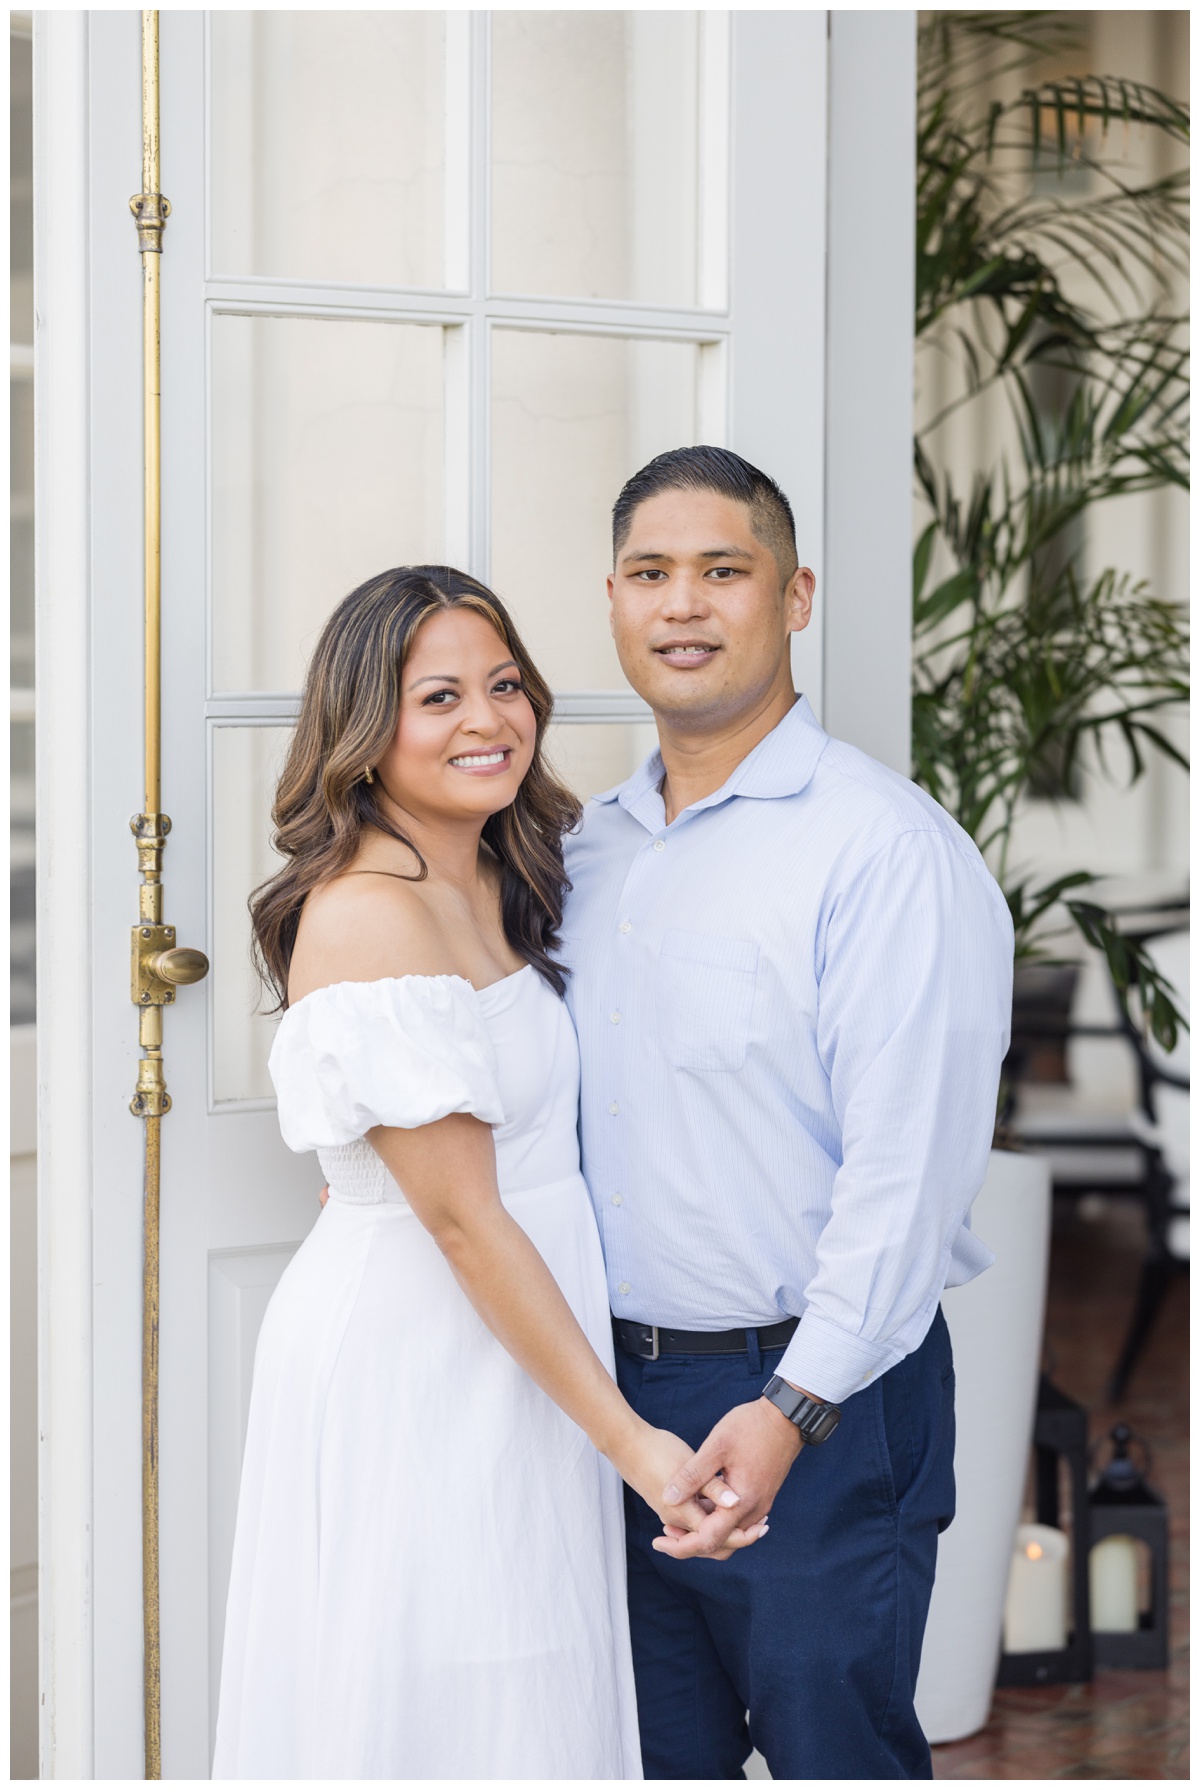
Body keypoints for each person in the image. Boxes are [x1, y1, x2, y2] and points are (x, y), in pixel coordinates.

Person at [211, 566, 765, 1780]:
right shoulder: (370, 911)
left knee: (526, 1676)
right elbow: (462, 1219)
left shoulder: (503, 878)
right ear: (365, 731)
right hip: (426, 1348)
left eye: (505, 684)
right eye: (439, 696)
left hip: (517, 1332)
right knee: (449, 1685)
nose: (488, 720)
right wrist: (635, 1442)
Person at [559, 446, 1014, 1779]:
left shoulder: (883, 852)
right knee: (652, 1759)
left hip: (820, 1398)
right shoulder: (588, 850)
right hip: (618, 1406)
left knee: (839, 1758)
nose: (683, 604)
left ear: (795, 594)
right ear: (614, 599)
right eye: (652, 573)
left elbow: (906, 1181)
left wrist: (791, 1405)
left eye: (723, 570)